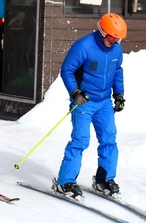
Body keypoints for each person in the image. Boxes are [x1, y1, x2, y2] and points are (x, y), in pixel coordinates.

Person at [52, 13, 128, 200]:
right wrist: (75, 93)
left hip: (104, 103)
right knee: (80, 140)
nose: (115, 41)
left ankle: (104, 180)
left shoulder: (116, 49)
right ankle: (65, 182)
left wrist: (118, 94)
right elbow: (67, 70)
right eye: (112, 37)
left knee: (109, 139)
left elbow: (117, 71)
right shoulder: (84, 46)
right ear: (102, 32)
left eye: (118, 38)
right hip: (84, 102)